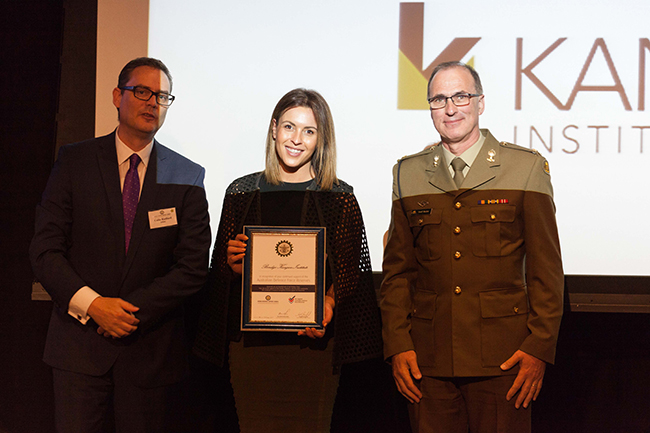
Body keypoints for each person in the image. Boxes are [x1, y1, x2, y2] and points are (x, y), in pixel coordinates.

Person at [380, 61, 564, 433]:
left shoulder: (525, 168)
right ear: (430, 108)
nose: (451, 108)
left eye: (461, 96)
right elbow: (398, 272)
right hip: (428, 363)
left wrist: (538, 349)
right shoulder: (408, 173)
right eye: (439, 99)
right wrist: (398, 344)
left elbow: (547, 270)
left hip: (505, 362)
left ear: (480, 103)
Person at [29, 57, 211, 432]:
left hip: (150, 354)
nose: (152, 103)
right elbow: (45, 250)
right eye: (142, 91)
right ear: (117, 95)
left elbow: (192, 267)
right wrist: (94, 306)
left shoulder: (188, 175)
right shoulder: (74, 161)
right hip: (78, 349)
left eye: (162, 96)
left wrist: (126, 313)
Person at [192, 88, 384, 432]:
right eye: (290, 127)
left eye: (309, 131)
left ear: (321, 139)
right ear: (274, 129)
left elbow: (350, 274)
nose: (297, 139)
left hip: (313, 347)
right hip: (252, 350)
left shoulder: (339, 198)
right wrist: (233, 266)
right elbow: (220, 276)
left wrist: (327, 302)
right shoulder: (241, 193)